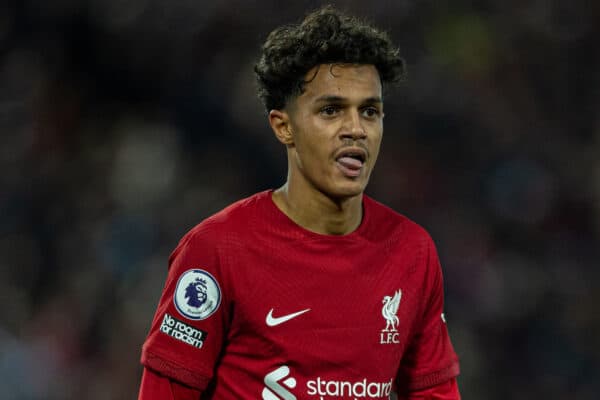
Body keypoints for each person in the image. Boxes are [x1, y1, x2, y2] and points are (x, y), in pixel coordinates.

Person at [138, 6, 461, 399]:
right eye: (331, 110)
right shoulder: (216, 250)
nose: (356, 129)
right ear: (284, 126)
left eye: (370, 111)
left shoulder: (412, 252)